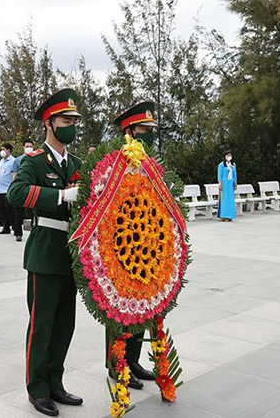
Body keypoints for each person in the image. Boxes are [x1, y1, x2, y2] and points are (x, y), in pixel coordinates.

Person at [6, 89, 85, 415]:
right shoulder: (35, 161)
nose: (71, 126)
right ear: (49, 123)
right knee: (42, 325)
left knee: (66, 323)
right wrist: (62, 196)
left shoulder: (79, 163)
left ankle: (56, 381)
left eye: (74, 121)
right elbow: (16, 193)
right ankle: (37, 388)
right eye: (66, 120)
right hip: (45, 251)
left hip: (73, 255)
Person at [109, 101, 160, 390]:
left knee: (142, 306)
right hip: (120, 245)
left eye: (151, 130)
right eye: (144, 129)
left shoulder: (149, 163)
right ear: (129, 131)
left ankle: (134, 360)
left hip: (146, 244)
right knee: (119, 308)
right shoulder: (116, 161)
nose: (149, 135)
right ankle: (117, 364)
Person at [0, 142, 22, 241]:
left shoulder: (13, 161)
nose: (2, 151)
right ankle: (6, 227)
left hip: (8, 189)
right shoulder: (2, 161)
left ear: (9, 151)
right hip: (0, 190)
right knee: (3, 210)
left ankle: (16, 229)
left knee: (10, 211)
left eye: (4, 149)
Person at [218, 150, 237, 222]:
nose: (229, 157)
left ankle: (230, 215)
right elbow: (220, 175)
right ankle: (224, 216)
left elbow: (235, 174)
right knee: (224, 200)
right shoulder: (222, 165)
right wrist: (220, 183)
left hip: (230, 184)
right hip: (224, 184)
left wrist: (235, 183)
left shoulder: (233, 165)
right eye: (227, 155)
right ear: (225, 156)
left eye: (230, 155)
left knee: (230, 200)